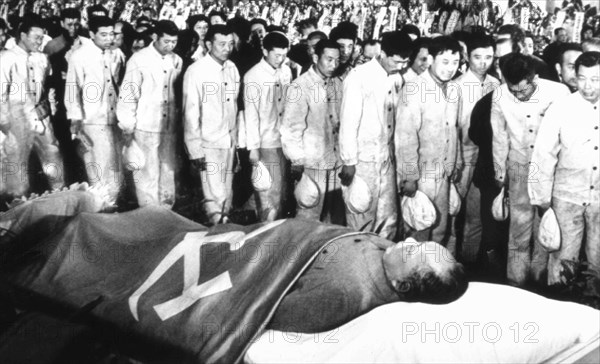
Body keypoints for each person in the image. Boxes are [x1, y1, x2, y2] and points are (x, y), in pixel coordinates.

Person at [269, 237, 468, 333]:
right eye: (418, 242)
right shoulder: (393, 261)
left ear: (401, 286)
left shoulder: (342, 294)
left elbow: (266, 309)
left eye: (411, 250)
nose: (408, 239)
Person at [491, 53, 570, 287]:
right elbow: (499, 136)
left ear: (534, 77)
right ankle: (516, 281)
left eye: (524, 91)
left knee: (545, 224)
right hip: (518, 166)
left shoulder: (559, 93)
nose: (519, 95)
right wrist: (500, 174)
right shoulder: (499, 95)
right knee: (518, 226)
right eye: (513, 91)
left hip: (549, 168)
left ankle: (539, 280)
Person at [529, 51, 600, 286]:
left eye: (596, 79)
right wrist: (541, 198)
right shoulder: (562, 107)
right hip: (566, 197)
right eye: (582, 78)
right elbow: (543, 154)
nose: (588, 86)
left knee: (597, 264)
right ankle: (559, 306)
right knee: (562, 263)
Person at [340, 31, 413, 240]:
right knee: (361, 214)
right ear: (382, 52)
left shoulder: (397, 78)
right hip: (362, 160)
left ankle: (381, 264)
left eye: (405, 62)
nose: (401, 66)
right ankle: (359, 267)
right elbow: (348, 121)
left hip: (386, 159)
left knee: (388, 215)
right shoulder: (358, 77)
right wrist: (349, 161)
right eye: (397, 61)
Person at [396, 36, 462, 247]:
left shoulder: (453, 89)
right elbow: (405, 137)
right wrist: (409, 176)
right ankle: (413, 278)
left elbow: (453, 129)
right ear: (431, 59)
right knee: (418, 229)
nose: (450, 68)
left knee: (440, 230)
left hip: (443, 172)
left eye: (456, 62)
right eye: (445, 62)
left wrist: (456, 161)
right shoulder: (414, 89)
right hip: (421, 174)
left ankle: (433, 276)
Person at [117, 20, 182, 208]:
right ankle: (149, 214)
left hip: (168, 125)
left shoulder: (176, 60)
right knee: (147, 173)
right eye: (166, 41)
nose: (170, 46)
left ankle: (167, 212)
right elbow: (129, 94)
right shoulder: (138, 60)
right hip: (145, 125)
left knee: (168, 170)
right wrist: (127, 125)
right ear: (155, 37)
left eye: (174, 42)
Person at [0, 15, 64, 199]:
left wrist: (50, 110)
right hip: (16, 121)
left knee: (53, 157)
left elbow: (48, 87)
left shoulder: (42, 59)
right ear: (23, 35)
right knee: (17, 166)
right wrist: (4, 123)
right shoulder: (6, 58)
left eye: (42, 37)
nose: (40, 41)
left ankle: (60, 198)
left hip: (41, 118)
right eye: (36, 37)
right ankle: (18, 209)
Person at [280, 39, 344, 223]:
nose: (333, 65)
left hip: (335, 162)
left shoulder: (337, 83)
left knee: (333, 219)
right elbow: (291, 127)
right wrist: (297, 159)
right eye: (329, 59)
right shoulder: (300, 86)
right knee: (308, 217)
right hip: (311, 163)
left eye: (337, 60)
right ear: (316, 57)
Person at [183, 24, 240, 224]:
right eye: (222, 44)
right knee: (213, 195)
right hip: (207, 142)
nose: (227, 48)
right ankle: (216, 233)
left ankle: (224, 230)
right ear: (208, 44)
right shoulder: (196, 71)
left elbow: (234, 105)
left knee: (226, 191)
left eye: (231, 44)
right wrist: (195, 149)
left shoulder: (232, 68)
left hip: (229, 140)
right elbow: (190, 112)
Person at [65, 16, 125, 201]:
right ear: (92, 34)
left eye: (112, 34)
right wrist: (75, 119)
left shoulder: (117, 54)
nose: (109, 39)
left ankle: (113, 204)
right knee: (98, 165)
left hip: (115, 118)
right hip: (91, 120)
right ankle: (102, 206)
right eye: (104, 35)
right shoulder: (79, 56)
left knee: (116, 165)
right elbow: (72, 89)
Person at [243, 32, 292, 221]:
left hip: (283, 140)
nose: (280, 59)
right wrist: (253, 148)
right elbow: (251, 115)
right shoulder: (253, 76)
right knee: (269, 192)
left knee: (282, 191)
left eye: (283, 55)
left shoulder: (286, 71)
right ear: (265, 51)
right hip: (265, 141)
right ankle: (266, 230)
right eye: (276, 55)